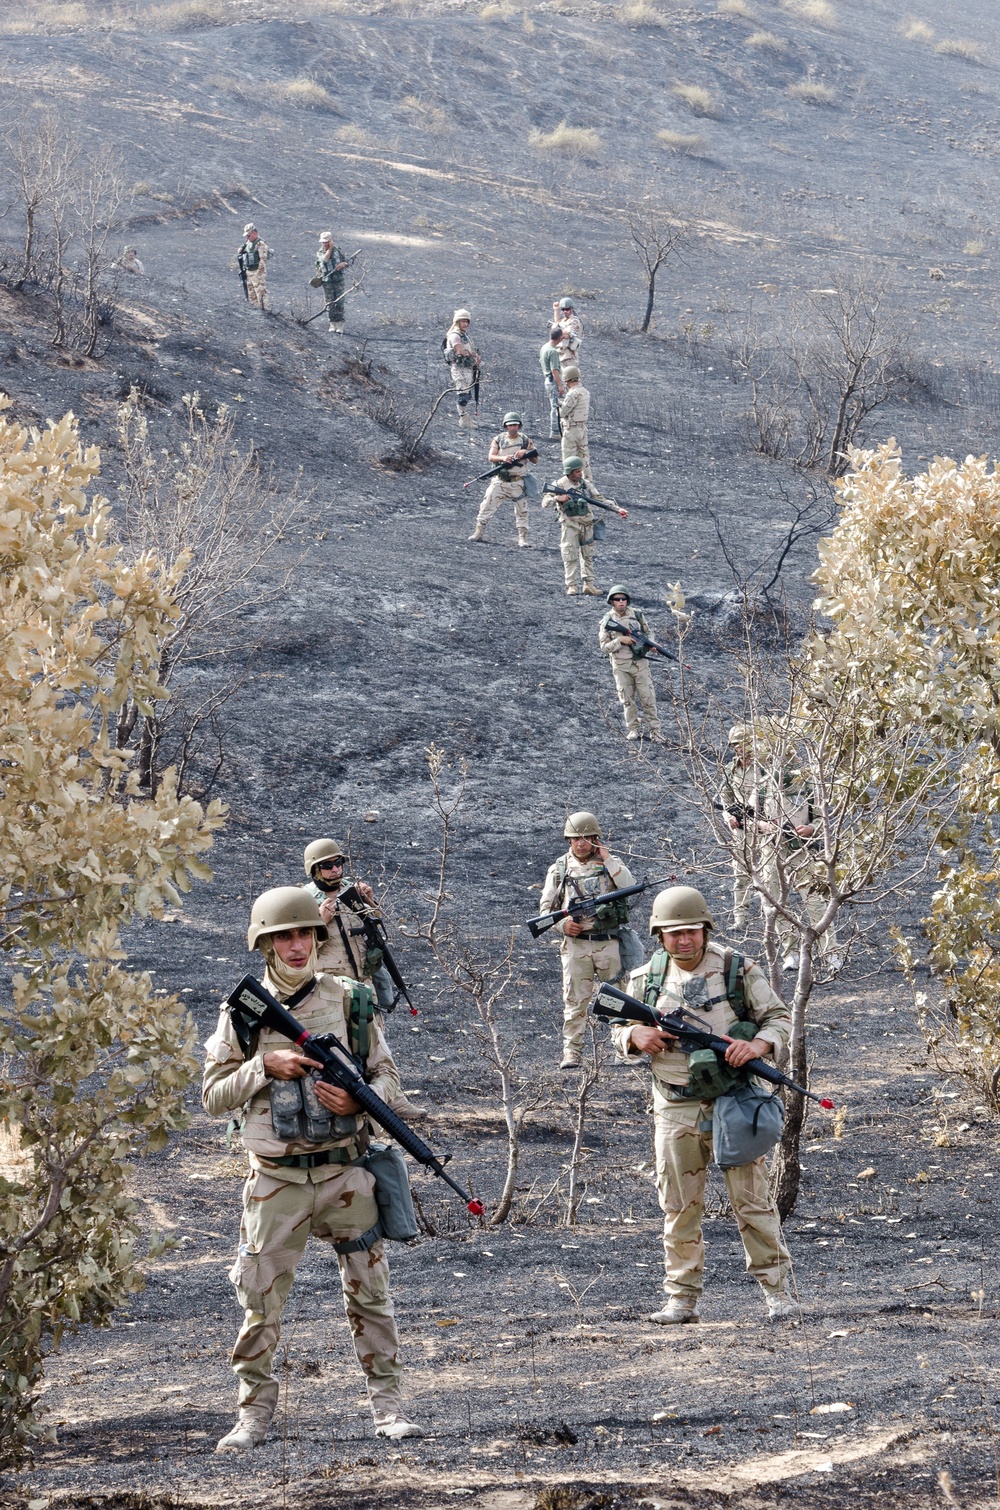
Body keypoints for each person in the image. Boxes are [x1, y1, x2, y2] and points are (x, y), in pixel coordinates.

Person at [204, 887, 422, 1452]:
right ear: (265, 944)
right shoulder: (242, 1012)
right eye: (284, 937)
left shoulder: (351, 1000)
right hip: (276, 1182)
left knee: (371, 1295)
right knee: (260, 1305)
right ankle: (253, 1416)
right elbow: (212, 1096)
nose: (297, 945)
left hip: (345, 1174)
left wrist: (360, 1101)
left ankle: (389, 1409)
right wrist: (263, 1066)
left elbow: (389, 1078)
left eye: (305, 934)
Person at [610, 885, 796, 1324]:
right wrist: (634, 1036)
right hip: (674, 1105)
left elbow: (778, 1018)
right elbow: (618, 1028)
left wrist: (758, 1046)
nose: (684, 940)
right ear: (659, 935)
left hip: (734, 1102)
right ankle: (681, 1300)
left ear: (706, 929)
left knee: (753, 1202)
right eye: (674, 933)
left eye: (691, 931)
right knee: (678, 1207)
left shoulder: (737, 969)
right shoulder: (645, 979)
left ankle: (779, 1294)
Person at [538, 811, 635, 1070]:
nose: (580, 843)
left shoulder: (610, 863)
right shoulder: (559, 868)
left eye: (586, 838)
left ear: (595, 838)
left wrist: (608, 858)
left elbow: (629, 885)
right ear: (568, 840)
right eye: (575, 839)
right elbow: (545, 910)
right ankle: (572, 1053)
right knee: (574, 1001)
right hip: (576, 945)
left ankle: (622, 1049)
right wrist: (562, 925)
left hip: (608, 942)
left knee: (616, 997)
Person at [755, 761, 842, 976]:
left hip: (801, 850)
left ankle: (830, 953)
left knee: (814, 901)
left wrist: (811, 828)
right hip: (771, 850)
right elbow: (750, 817)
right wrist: (763, 826)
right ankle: (790, 952)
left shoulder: (808, 785)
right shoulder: (763, 785)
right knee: (775, 901)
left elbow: (822, 818)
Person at [542, 457, 626, 598]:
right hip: (570, 525)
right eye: (577, 472)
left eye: (581, 471)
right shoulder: (559, 485)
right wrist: (557, 498)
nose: (580, 474)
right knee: (570, 555)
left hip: (587, 524)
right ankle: (572, 585)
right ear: (569, 472)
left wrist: (618, 509)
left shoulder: (585, 485)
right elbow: (545, 503)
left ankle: (589, 585)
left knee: (588, 555)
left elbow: (599, 499)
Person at [598, 586, 665, 743]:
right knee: (627, 700)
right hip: (621, 665)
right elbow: (604, 647)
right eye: (617, 599)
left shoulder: (637, 615)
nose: (621, 602)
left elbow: (648, 633)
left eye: (624, 599)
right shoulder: (607, 620)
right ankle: (633, 729)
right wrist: (620, 640)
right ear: (611, 601)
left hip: (640, 663)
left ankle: (655, 731)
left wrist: (651, 644)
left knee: (648, 699)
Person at [718, 723, 767, 931]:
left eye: (743, 743)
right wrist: (728, 816)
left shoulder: (765, 766)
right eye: (735, 744)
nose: (739, 748)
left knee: (769, 877)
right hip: (741, 830)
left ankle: (771, 919)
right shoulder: (731, 769)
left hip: (765, 829)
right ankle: (740, 919)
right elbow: (725, 797)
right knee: (740, 876)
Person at [468, 411, 537, 547]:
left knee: (522, 511)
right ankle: (478, 532)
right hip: (500, 480)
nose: (513, 428)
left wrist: (525, 452)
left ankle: (522, 538)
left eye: (515, 425)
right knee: (486, 506)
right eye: (510, 425)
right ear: (505, 426)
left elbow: (535, 459)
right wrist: (503, 458)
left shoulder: (525, 440)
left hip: (518, 481)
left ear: (519, 425)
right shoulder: (499, 439)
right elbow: (491, 457)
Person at [558, 367, 595, 483]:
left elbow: (563, 413)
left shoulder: (573, 394)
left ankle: (570, 485)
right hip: (582, 429)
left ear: (567, 379)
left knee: (569, 462)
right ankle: (588, 484)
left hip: (571, 431)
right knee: (584, 460)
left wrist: (559, 405)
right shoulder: (585, 391)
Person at [445, 308, 479, 431]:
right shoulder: (455, 335)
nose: (465, 324)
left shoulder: (464, 335)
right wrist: (473, 355)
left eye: (466, 321)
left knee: (467, 394)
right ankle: (463, 419)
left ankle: (465, 417)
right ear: (457, 322)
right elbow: (459, 350)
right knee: (463, 395)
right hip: (460, 369)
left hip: (467, 368)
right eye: (462, 321)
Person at [316, 231, 349, 332]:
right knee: (329, 302)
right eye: (323, 242)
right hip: (327, 281)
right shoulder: (320, 252)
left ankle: (340, 324)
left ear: (330, 241)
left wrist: (344, 264)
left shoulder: (338, 251)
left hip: (338, 280)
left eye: (326, 242)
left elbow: (347, 261)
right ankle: (332, 323)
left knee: (340, 302)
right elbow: (324, 260)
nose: (324, 244)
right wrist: (330, 249)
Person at [539, 325, 568, 440]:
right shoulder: (553, 352)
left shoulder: (545, 347)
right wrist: (560, 385)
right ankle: (555, 431)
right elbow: (554, 370)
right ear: (559, 338)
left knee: (554, 405)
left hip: (548, 380)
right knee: (556, 407)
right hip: (552, 381)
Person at [238, 223, 269, 311]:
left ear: (254, 233)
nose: (247, 237)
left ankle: (265, 311)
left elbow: (263, 260)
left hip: (257, 272)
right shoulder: (248, 243)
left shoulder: (260, 244)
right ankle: (255, 310)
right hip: (249, 272)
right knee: (251, 294)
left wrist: (259, 273)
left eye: (248, 235)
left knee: (260, 293)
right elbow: (240, 251)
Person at [552, 295, 584, 364]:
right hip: (560, 352)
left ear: (572, 309)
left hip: (569, 356)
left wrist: (560, 332)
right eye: (563, 310)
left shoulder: (574, 321)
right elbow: (557, 323)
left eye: (567, 309)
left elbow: (568, 335)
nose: (565, 311)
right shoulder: (563, 320)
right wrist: (556, 310)